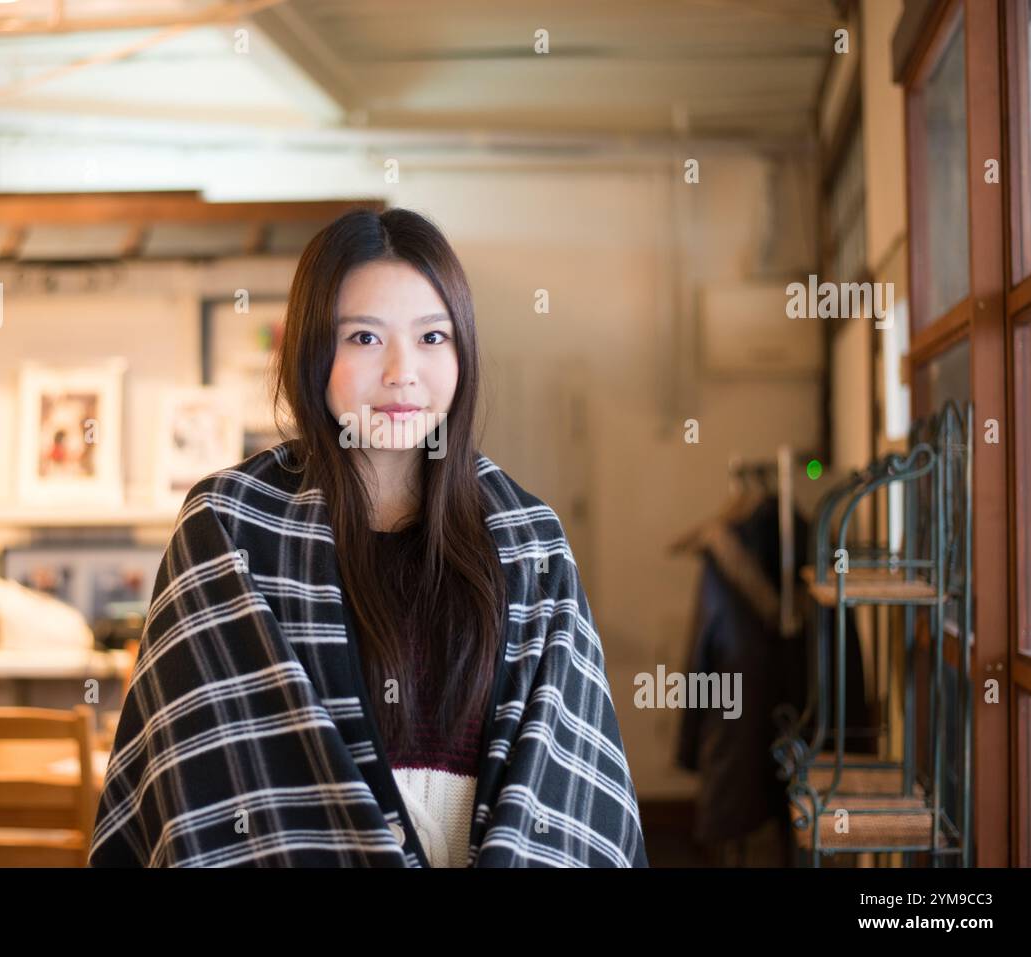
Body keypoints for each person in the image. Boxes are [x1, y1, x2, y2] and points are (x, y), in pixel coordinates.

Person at [89, 208, 648, 867]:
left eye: (432, 337)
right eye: (363, 338)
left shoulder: (530, 541)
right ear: (312, 352)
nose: (401, 371)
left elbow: (570, 778)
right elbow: (196, 783)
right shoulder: (229, 526)